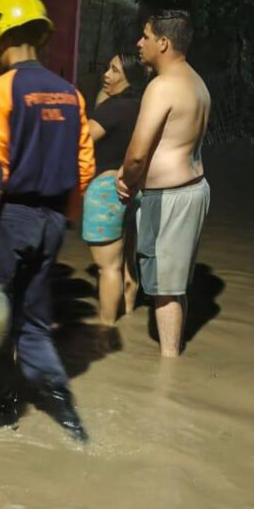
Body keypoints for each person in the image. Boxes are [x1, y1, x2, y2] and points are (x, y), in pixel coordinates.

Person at [0, 0, 95, 442]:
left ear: (2, 37)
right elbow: (84, 169)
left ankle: (3, 410)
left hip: (10, 222)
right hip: (52, 223)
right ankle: (67, 417)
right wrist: (64, 220)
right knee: (35, 321)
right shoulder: (70, 94)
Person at [117, 10, 211, 358]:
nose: (139, 43)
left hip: (169, 197)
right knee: (173, 284)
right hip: (194, 190)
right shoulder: (197, 83)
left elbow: (138, 153)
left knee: (164, 289)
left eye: (145, 36)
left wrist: (125, 181)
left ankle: (168, 376)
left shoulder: (162, 86)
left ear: (164, 42)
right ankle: (172, 361)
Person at [83, 52, 146, 325]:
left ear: (128, 77)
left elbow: (81, 140)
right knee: (126, 264)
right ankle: (129, 316)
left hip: (105, 193)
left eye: (114, 71)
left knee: (107, 268)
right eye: (107, 68)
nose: (106, 75)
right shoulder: (141, 106)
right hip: (132, 190)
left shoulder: (113, 109)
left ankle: (106, 330)